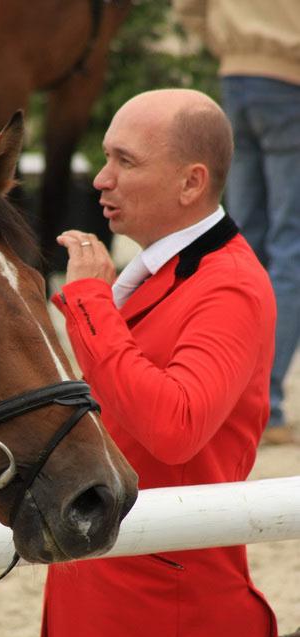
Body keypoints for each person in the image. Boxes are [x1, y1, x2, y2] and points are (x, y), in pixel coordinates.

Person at [33, 88, 278, 637]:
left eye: (125, 161)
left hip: (163, 611)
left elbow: (174, 426)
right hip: (111, 594)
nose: (101, 179)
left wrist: (88, 303)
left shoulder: (228, 288)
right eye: (105, 157)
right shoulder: (157, 272)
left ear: (191, 181)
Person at [173, 0, 300, 445]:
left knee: (237, 245)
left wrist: (230, 45)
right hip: (291, 81)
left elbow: (187, 6)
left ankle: (227, 400)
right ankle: (265, 405)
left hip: (237, 76)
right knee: (291, 248)